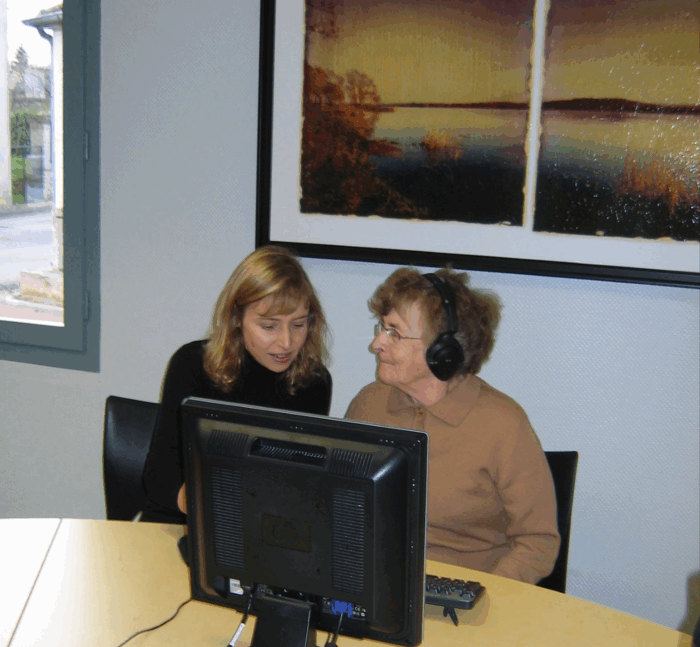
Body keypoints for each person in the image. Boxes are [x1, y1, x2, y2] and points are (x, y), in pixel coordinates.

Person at [345, 267, 559, 584]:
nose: (377, 343)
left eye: (395, 333)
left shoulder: (503, 424)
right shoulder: (368, 404)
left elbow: (538, 542)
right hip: (378, 584)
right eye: (383, 328)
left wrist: (484, 595)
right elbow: (342, 503)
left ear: (444, 352)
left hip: (468, 593)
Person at [142, 246, 332, 523]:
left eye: (298, 324)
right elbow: (159, 477)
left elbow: (301, 482)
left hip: (262, 527)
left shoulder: (313, 382)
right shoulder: (192, 364)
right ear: (236, 319)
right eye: (269, 327)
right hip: (183, 520)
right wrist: (215, 507)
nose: (286, 342)